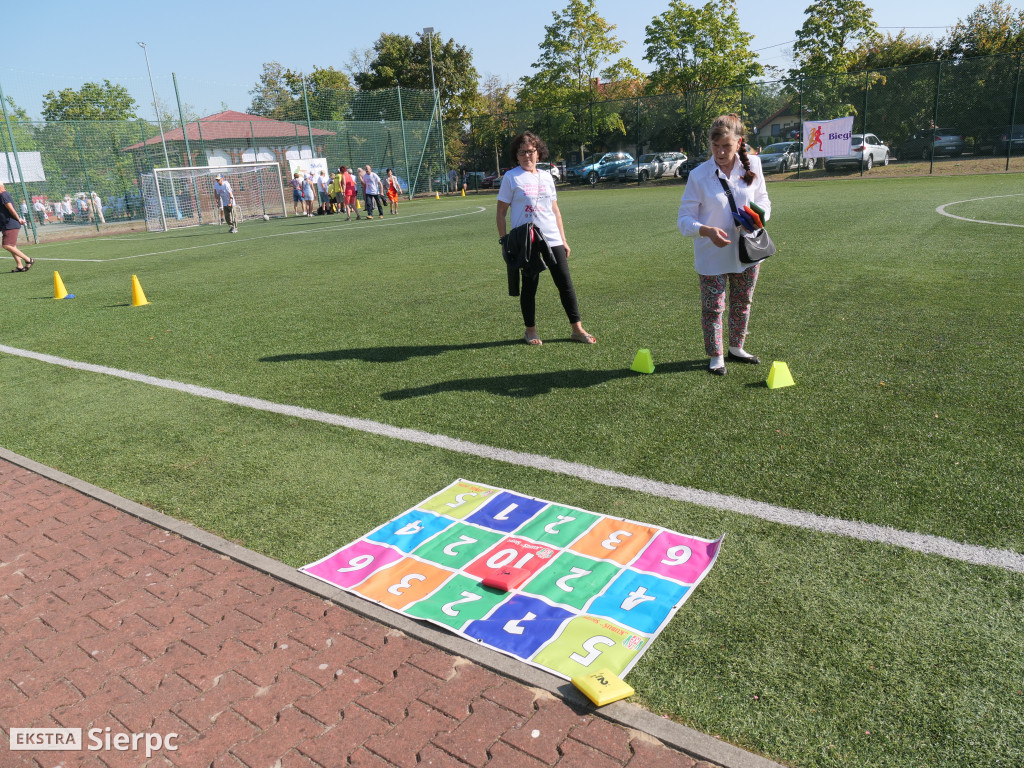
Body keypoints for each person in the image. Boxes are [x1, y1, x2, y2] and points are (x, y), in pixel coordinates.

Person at [677, 113, 771, 376]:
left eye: (726, 146)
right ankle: (716, 355)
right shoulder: (699, 175)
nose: (720, 151)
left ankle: (737, 347)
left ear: (739, 143)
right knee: (713, 307)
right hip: (712, 254)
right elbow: (684, 219)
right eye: (715, 146)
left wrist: (757, 218)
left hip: (747, 250)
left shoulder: (753, 164)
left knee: (743, 302)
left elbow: (764, 200)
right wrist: (705, 230)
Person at [495, 131, 595, 346]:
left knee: (565, 284)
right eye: (522, 152)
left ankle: (577, 329)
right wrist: (504, 242)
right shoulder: (511, 178)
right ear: (516, 155)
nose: (526, 156)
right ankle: (530, 330)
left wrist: (564, 239)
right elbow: (501, 212)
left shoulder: (547, 176)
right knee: (530, 287)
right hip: (527, 241)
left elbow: (555, 211)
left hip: (552, 238)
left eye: (530, 151)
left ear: (538, 153)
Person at [0, 182, 34, 272]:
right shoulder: (3, 195)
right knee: (12, 246)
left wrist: (18, 219)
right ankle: (19, 265)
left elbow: (11, 209)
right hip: (6, 224)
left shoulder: (3, 195)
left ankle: (28, 260)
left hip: (10, 224)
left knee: (6, 245)